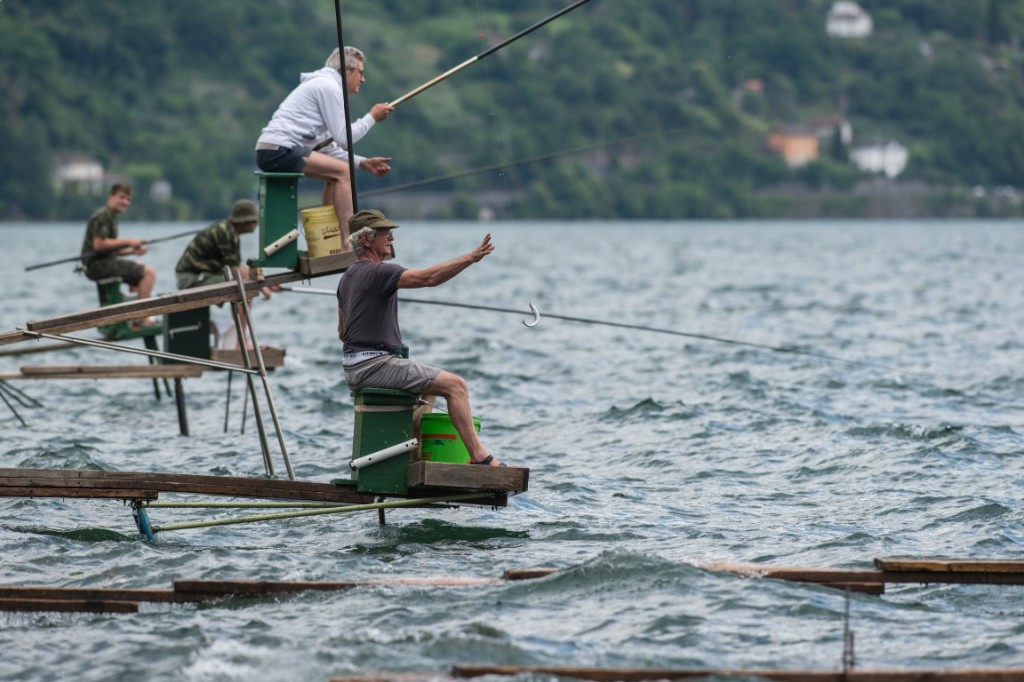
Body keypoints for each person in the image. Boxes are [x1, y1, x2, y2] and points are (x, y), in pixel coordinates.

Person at [336, 209, 504, 467]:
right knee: (456, 386)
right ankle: (480, 456)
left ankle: (414, 459)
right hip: (373, 366)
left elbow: (342, 332)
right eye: (385, 233)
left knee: (431, 392)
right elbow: (429, 278)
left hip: (354, 367)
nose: (391, 238)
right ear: (367, 239)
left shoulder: (346, 279)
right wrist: (470, 258)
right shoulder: (378, 272)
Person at [255, 46, 394, 246]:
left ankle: (328, 242)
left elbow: (330, 149)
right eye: (361, 73)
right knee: (342, 173)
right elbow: (343, 138)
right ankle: (349, 244)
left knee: (334, 175)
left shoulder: (323, 86)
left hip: (271, 149)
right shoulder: (329, 87)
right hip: (278, 149)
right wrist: (371, 117)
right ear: (346, 70)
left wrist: (364, 163)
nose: (363, 79)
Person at [175, 199, 277, 348]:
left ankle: (240, 340)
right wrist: (262, 286)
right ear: (245, 221)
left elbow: (235, 270)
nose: (257, 224)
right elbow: (237, 270)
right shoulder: (227, 233)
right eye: (254, 220)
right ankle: (240, 343)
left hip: (200, 276)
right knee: (245, 289)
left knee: (244, 282)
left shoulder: (227, 230)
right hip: (192, 279)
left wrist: (266, 283)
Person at [80, 183, 157, 326]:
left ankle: (134, 315)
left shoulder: (111, 216)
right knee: (149, 273)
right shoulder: (103, 215)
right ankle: (141, 318)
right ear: (111, 196)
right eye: (121, 197)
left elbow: (110, 250)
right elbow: (99, 244)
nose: (125, 202)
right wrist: (128, 241)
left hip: (102, 262)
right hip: (97, 266)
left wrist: (133, 251)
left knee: (139, 268)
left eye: (128, 199)